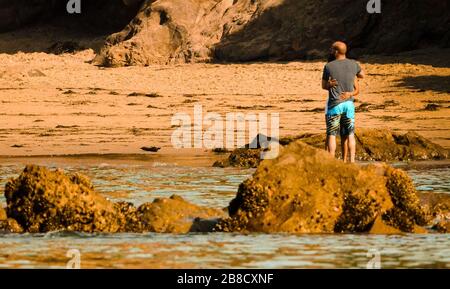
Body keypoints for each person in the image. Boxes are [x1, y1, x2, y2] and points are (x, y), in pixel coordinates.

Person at [322, 41, 364, 163]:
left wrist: (329, 84)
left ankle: (331, 161)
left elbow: (324, 86)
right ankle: (352, 162)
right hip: (349, 104)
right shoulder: (354, 64)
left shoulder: (329, 66)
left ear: (336, 52)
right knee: (350, 134)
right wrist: (353, 76)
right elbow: (362, 75)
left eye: (332, 49)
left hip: (335, 104)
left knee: (332, 134)